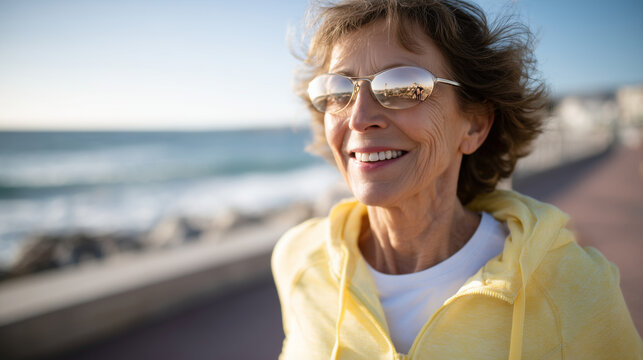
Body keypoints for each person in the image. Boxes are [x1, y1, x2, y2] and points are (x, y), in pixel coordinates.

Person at [271, 0, 642, 359]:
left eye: (403, 86)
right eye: (337, 90)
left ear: (475, 124)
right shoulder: (299, 260)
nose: (359, 116)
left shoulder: (574, 288)